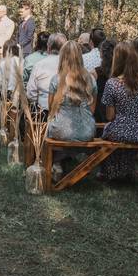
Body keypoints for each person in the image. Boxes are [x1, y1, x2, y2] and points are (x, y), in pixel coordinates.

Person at [99, 42, 138, 182]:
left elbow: (110, 116)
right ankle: (127, 171)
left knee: (109, 131)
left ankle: (112, 172)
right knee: (119, 133)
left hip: (119, 130)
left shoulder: (112, 83)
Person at [47, 41, 98, 172]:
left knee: (50, 127)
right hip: (87, 131)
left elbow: (52, 109)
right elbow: (92, 110)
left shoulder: (56, 79)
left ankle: (58, 161)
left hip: (61, 130)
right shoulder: (91, 79)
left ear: (62, 57)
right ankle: (74, 156)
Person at [26, 33, 68, 115]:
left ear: (48, 47)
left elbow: (30, 93)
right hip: (66, 114)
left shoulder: (39, 65)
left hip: (43, 113)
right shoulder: (70, 66)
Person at [93, 39, 116, 123]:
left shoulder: (96, 72)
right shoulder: (120, 72)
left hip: (99, 110)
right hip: (115, 110)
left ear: (101, 54)